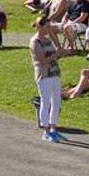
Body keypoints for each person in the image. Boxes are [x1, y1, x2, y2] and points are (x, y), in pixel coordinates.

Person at [29, 15, 63, 143]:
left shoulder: (48, 40)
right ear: (40, 27)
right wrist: (56, 55)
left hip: (54, 73)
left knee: (56, 101)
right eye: (47, 26)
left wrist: (59, 53)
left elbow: (54, 55)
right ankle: (46, 130)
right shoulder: (35, 42)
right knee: (46, 101)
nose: (49, 29)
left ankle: (53, 128)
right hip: (43, 74)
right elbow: (42, 60)